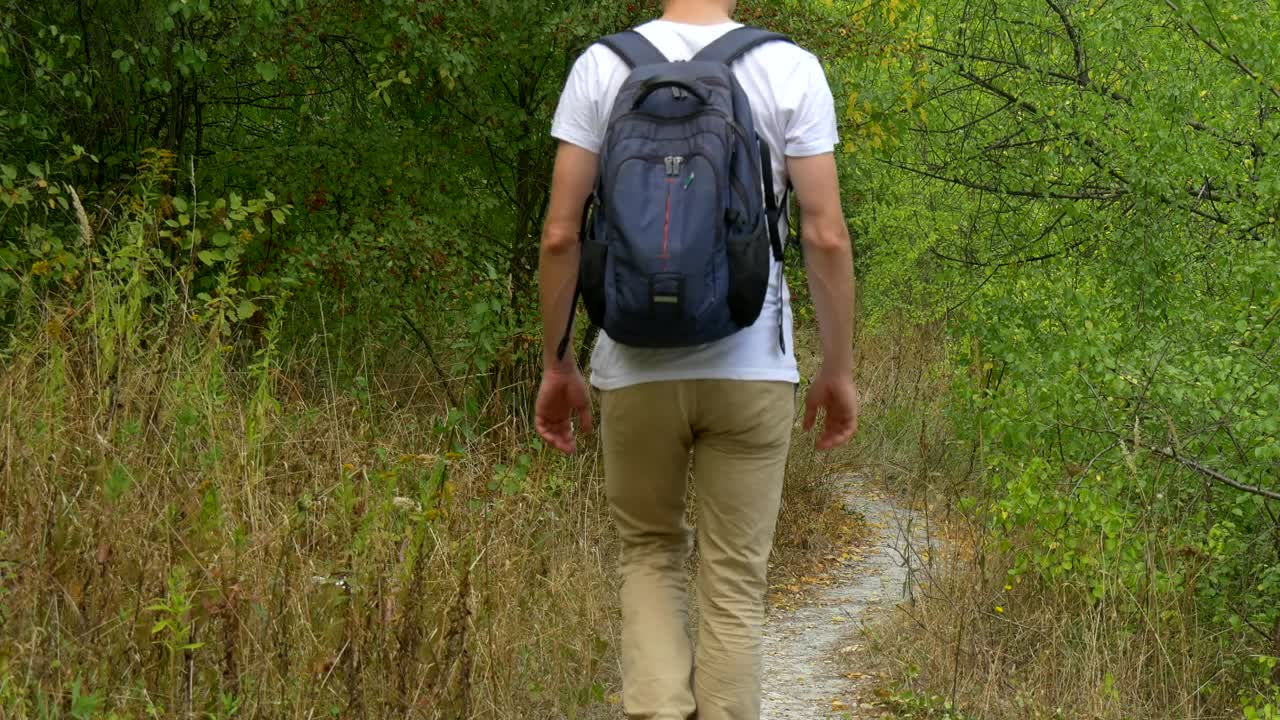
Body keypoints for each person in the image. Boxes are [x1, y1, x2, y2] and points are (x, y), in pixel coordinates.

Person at [534, 0, 859, 717]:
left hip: (633, 364)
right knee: (734, 581)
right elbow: (826, 234)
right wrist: (837, 369)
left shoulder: (602, 66)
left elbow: (561, 235)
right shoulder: (789, 67)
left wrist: (558, 365)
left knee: (650, 554)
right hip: (752, 364)